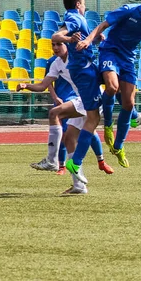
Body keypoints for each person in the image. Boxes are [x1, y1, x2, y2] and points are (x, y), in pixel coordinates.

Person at [77, 0, 141, 168]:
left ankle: (118, 146)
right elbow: (103, 25)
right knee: (112, 86)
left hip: (128, 60)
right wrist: (88, 39)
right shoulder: (129, 10)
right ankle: (108, 125)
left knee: (129, 102)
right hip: (110, 51)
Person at [16, 39, 113, 195]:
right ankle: (79, 186)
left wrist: (97, 38)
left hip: (93, 97)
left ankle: (52, 161)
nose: (55, 47)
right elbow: (42, 86)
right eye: (53, 45)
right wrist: (26, 85)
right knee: (69, 139)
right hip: (83, 99)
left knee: (55, 113)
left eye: (58, 44)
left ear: (67, 45)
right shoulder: (56, 64)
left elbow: (87, 43)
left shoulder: (77, 56)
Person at [51, 0, 101, 186]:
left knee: (79, 127)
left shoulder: (75, 19)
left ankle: (55, 161)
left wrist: (94, 39)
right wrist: (69, 39)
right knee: (72, 134)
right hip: (85, 80)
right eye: (84, 1)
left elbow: (66, 34)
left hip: (84, 87)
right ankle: (78, 184)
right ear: (79, 4)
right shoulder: (76, 19)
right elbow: (58, 34)